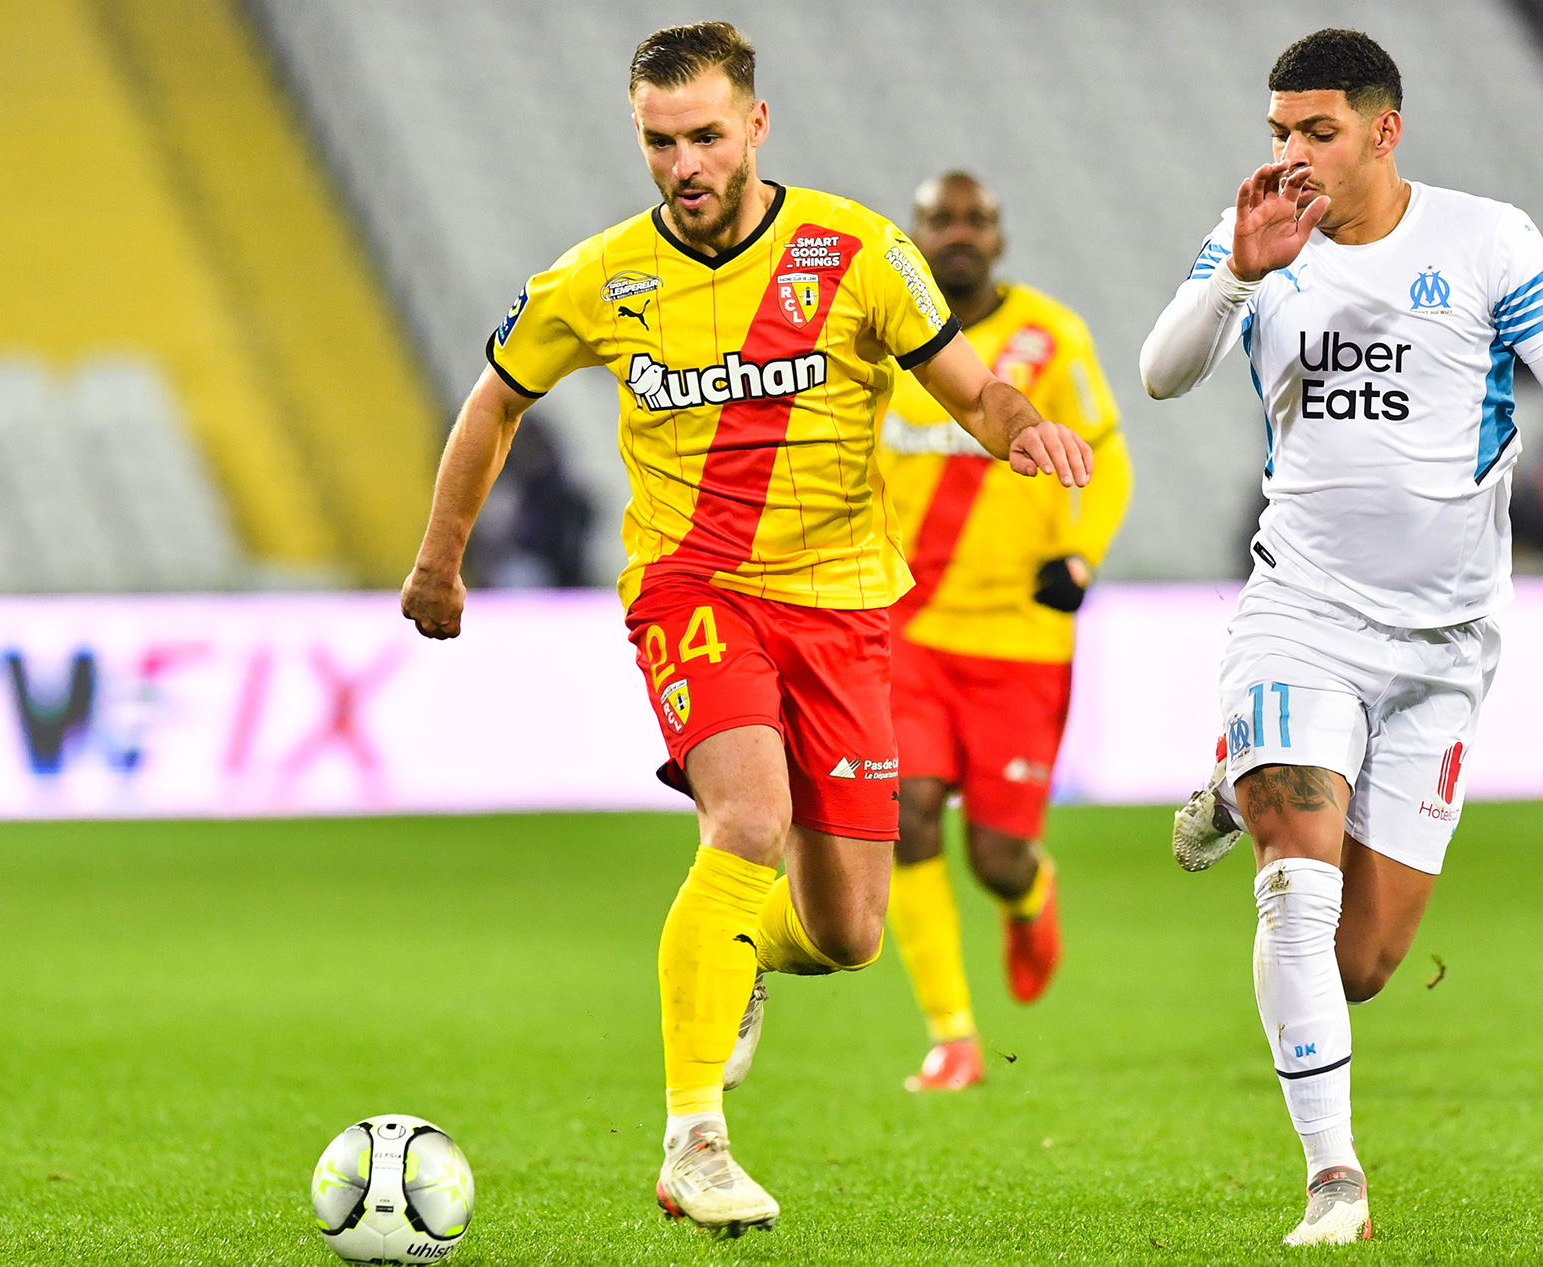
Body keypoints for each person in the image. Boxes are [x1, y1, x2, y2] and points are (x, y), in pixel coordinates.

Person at [397, 22, 1092, 1236]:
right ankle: (694, 1138)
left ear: (755, 125)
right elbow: (493, 401)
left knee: (847, 931)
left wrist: (1021, 429)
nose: (685, 164)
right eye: (660, 142)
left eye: (706, 135)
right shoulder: (599, 278)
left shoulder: (856, 249)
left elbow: (971, 386)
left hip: (843, 610)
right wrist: (438, 555)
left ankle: (740, 950)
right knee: (746, 820)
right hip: (694, 591)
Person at [1139, 29, 1543, 1246]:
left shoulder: (1484, 238)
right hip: (1299, 613)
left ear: (1382, 129)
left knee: (1362, 960)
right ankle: (1333, 1179)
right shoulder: (1255, 230)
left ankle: (1230, 774)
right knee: (1295, 901)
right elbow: (1160, 374)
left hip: (1445, 646)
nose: (1290, 155)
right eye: (1277, 132)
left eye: (1315, 131)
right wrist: (1238, 275)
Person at [877, 172, 1133, 1091]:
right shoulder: (884, 337)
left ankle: (1030, 891)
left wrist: (1081, 557)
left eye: (974, 219)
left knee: (995, 854)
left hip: (1020, 638)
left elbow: (1104, 460)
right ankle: (952, 1034)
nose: (958, 233)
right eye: (940, 219)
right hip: (907, 627)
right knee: (903, 811)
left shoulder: (1050, 337)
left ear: (1000, 236)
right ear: (913, 235)